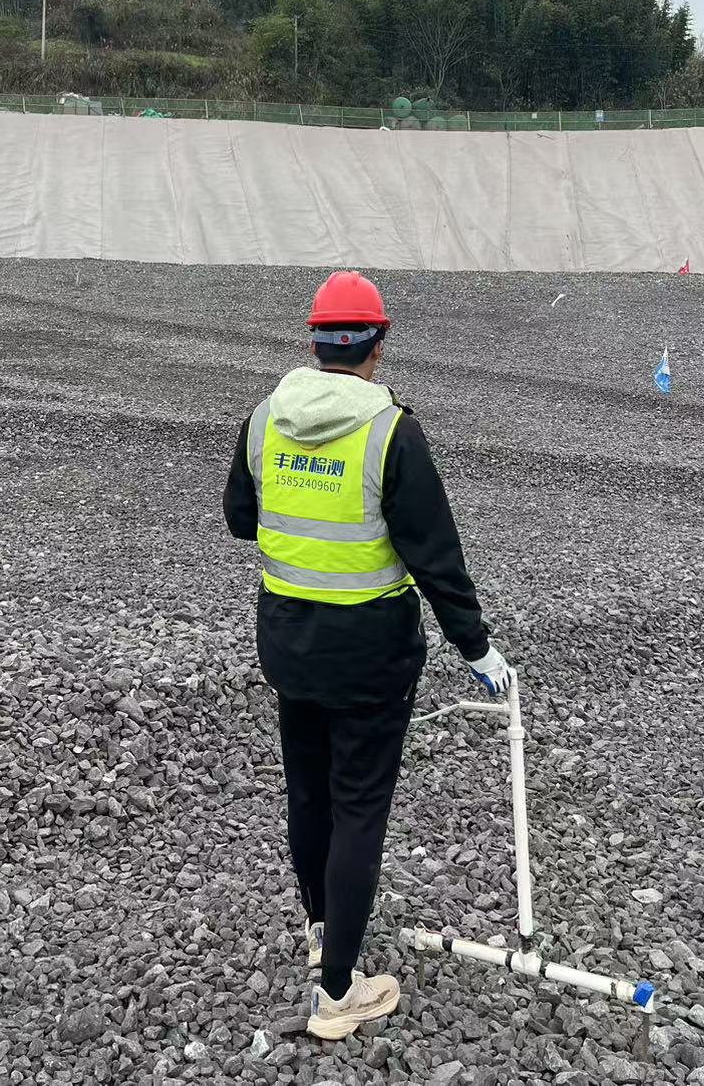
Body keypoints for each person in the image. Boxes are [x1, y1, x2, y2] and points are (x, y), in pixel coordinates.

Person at [222, 269, 511, 1040]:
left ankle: (323, 932)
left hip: (290, 644)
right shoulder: (391, 432)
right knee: (357, 808)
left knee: (308, 796)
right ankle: (338, 992)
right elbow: (435, 557)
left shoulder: (265, 419)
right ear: (377, 344)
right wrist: (477, 648)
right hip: (371, 657)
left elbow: (240, 517)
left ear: (316, 341)